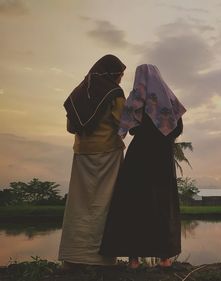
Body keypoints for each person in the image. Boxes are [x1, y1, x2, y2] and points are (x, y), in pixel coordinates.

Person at [99, 64, 186, 269]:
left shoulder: (136, 98)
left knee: (133, 203)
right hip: (162, 157)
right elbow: (177, 129)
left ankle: (134, 260)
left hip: (139, 155)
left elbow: (131, 130)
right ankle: (165, 259)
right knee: (162, 203)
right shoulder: (170, 99)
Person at [59, 54, 126, 268]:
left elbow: (71, 127)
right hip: (107, 154)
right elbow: (125, 123)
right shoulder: (114, 93)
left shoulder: (79, 93)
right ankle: (99, 259)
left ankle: (73, 256)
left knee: (79, 205)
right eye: (120, 75)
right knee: (105, 204)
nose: (120, 80)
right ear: (113, 74)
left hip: (81, 154)